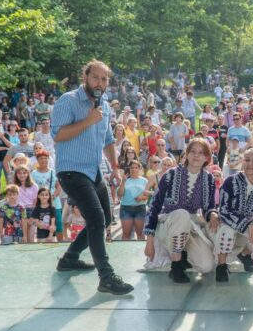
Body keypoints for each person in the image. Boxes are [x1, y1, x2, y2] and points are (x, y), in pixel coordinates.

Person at [51, 60, 133, 295]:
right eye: (95, 77)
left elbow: (107, 139)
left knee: (105, 219)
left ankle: (70, 258)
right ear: (85, 77)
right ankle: (106, 276)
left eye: (104, 79)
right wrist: (88, 120)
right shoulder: (68, 100)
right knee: (96, 220)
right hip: (71, 170)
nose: (99, 83)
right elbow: (58, 134)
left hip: (93, 170)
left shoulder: (104, 105)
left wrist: (115, 167)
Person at [143, 139, 218, 283]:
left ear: (207, 158)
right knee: (182, 214)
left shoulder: (208, 179)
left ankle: (184, 255)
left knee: (206, 266)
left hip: (192, 226)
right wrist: (149, 242)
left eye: (201, 153)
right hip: (168, 223)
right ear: (187, 154)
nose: (196, 155)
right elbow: (154, 206)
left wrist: (213, 213)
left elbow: (208, 207)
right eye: (193, 151)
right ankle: (176, 265)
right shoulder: (171, 174)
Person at [213, 148, 253, 282]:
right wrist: (247, 224)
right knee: (227, 231)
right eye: (247, 160)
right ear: (242, 162)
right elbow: (224, 210)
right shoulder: (230, 181)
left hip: (245, 228)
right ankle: (221, 265)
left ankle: (245, 254)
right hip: (225, 225)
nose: (250, 164)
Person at [117, 160, 150, 240]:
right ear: (129, 169)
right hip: (126, 209)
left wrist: (141, 198)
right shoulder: (125, 180)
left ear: (139, 169)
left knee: (140, 233)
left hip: (140, 208)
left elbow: (148, 196)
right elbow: (120, 194)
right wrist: (123, 181)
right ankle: (125, 248)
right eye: (132, 167)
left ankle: (141, 248)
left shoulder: (144, 181)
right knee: (126, 233)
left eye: (136, 167)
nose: (134, 169)